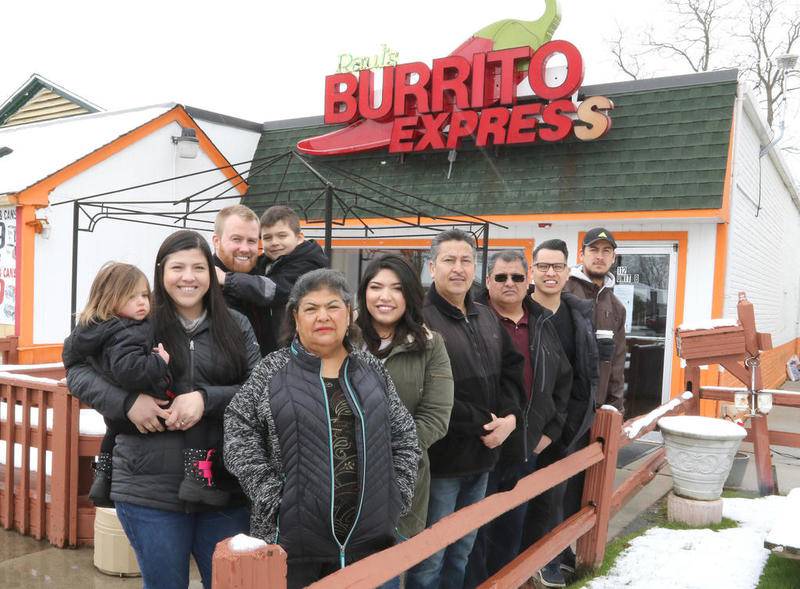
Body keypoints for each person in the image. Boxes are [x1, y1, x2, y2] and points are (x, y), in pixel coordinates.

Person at [65, 230, 261, 589]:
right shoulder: (134, 318)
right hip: (147, 483)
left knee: (231, 584)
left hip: (223, 481)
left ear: (211, 272)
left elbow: (259, 391)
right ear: (161, 271)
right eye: (178, 267)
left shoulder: (236, 324)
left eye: (199, 267)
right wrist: (127, 403)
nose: (189, 277)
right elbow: (76, 369)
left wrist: (206, 398)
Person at [224, 268, 421, 589]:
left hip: (369, 540)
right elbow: (237, 430)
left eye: (333, 307)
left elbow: (404, 436)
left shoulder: (371, 370)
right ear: (295, 317)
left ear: (350, 315)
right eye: (311, 308)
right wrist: (272, 496)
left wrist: (396, 494)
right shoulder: (273, 369)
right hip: (291, 541)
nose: (323, 317)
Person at [406, 229, 524, 589]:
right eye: (449, 260)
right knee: (429, 559)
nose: (458, 268)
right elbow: (424, 394)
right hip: (442, 464)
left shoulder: (486, 317)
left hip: (484, 460)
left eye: (466, 261)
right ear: (431, 266)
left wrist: (510, 419)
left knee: (463, 551)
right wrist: (483, 425)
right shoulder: (419, 321)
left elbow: (511, 371)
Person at [465, 250, 572, 586]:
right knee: (471, 538)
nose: (509, 283)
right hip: (478, 450)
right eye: (500, 277)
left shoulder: (542, 324)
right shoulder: (470, 319)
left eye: (516, 277)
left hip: (524, 449)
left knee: (510, 531)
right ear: (487, 281)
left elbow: (563, 382)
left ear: (528, 281)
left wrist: (549, 433)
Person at [355, 254, 454, 539]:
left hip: (400, 481)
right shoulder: (344, 339)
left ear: (410, 295)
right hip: (340, 479)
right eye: (376, 287)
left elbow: (436, 417)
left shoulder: (430, 345)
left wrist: (385, 452)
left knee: (387, 571)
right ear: (364, 293)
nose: (385, 296)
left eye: (397, 288)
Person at [521, 239, 600, 588]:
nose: (550, 273)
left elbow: (587, 373)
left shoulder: (577, 316)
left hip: (565, 429)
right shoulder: (518, 312)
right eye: (542, 266)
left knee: (555, 499)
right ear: (532, 271)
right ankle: (518, 564)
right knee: (514, 500)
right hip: (521, 430)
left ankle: (547, 560)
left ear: (568, 272)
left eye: (557, 267)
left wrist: (573, 425)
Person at [564, 228, 626, 412]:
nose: (600, 256)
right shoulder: (562, 291)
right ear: (581, 254)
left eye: (606, 251)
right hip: (563, 406)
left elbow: (617, 364)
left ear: (613, 257)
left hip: (596, 407)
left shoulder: (617, 308)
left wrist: (615, 408)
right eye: (594, 249)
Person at [257, 205, 328, 353]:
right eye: (267, 238)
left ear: (299, 238)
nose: (274, 242)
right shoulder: (263, 264)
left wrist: (229, 279)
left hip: (299, 350)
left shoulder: (309, 264)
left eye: (282, 236)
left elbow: (278, 289)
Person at [212, 204, 276, 356]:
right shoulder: (201, 284)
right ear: (216, 241)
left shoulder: (263, 277)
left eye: (252, 241)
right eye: (236, 239)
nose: (245, 248)